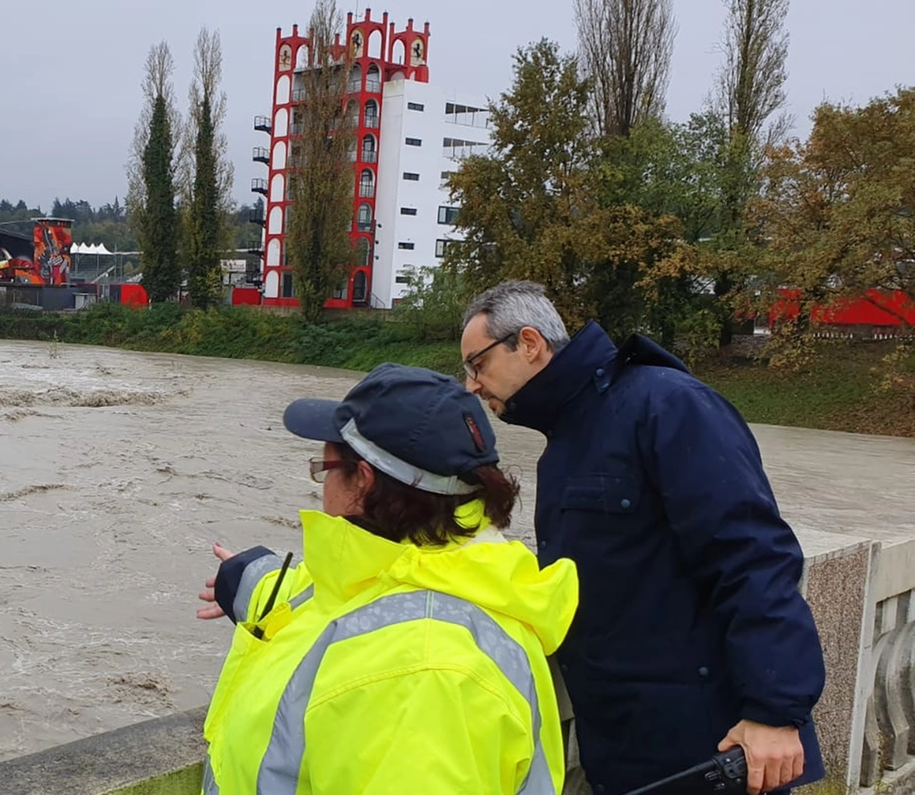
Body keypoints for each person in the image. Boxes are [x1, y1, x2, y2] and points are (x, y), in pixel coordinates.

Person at [459, 280, 826, 795]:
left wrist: (775, 711)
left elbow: (753, 555)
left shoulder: (667, 404)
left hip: (710, 750)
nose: (472, 385)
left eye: (477, 365)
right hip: (626, 745)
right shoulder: (568, 434)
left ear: (529, 343)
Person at [196, 363, 579, 794]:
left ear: (361, 482)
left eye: (323, 469)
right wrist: (245, 579)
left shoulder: (425, 678)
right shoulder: (459, 565)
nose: (320, 488)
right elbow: (341, 603)